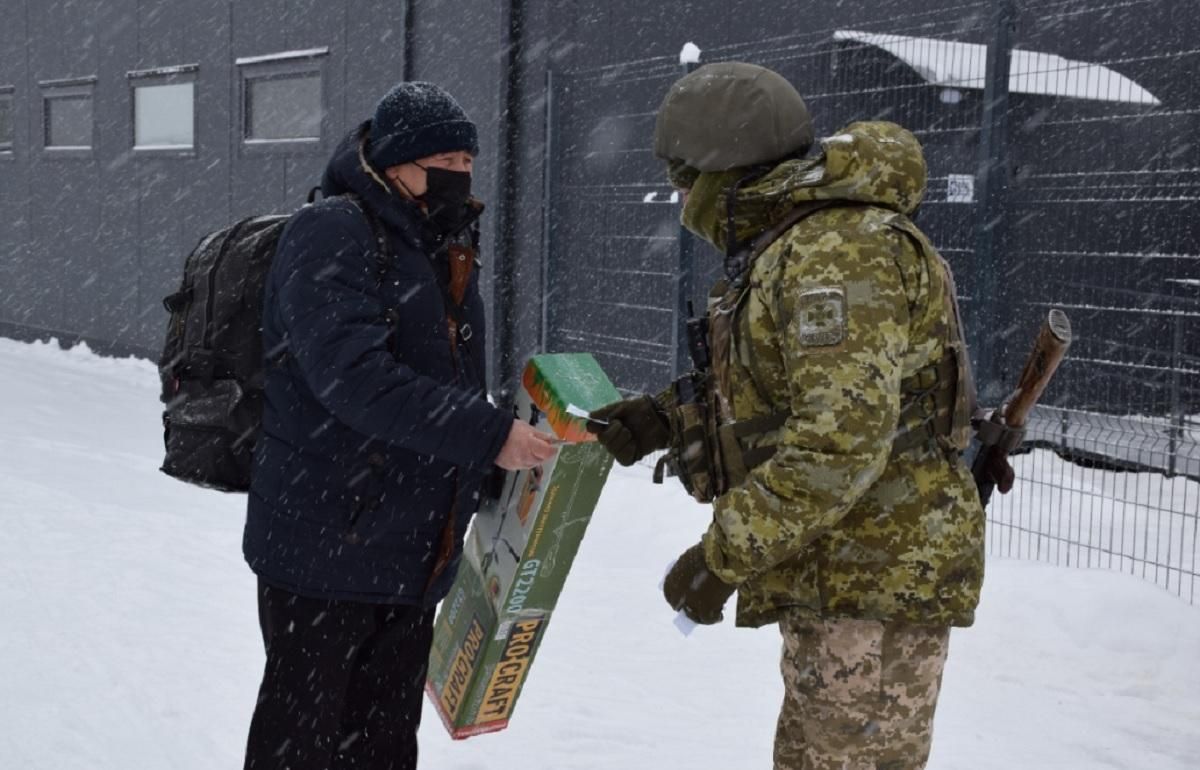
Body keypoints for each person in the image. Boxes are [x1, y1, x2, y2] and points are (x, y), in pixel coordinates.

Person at [588, 62, 986, 769]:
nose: (681, 196)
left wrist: (723, 555)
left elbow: (839, 446)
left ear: (728, 171)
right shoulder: (793, 242)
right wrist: (669, 418)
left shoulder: (836, 253)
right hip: (842, 573)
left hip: (874, 579)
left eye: (687, 176)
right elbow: (789, 398)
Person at [241, 81, 556, 770]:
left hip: (411, 551)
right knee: (302, 744)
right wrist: (485, 435)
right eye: (443, 158)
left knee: (382, 746)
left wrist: (484, 464)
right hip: (324, 546)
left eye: (468, 160)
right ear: (393, 163)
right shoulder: (331, 232)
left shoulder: (442, 243)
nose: (460, 173)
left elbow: (448, 379)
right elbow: (353, 380)